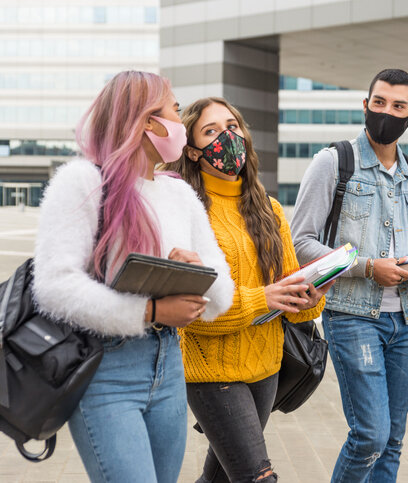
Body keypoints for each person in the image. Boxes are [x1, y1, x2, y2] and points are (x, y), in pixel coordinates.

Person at [32, 71, 234, 483]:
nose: (181, 123)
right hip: (106, 369)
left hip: (170, 366)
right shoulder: (84, 182)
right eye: (174, 111)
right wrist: (152, 308)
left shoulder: (179, 193)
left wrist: (196, 271)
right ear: (146, 122)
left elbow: (223, 294)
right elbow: (53, 287)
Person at [292, 68, 408, 482]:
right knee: (370, 435)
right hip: (351, 317)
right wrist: (366, 267)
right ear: (365, 105)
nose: (387, 112)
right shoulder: (333, 163)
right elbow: (300, 245)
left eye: (398, 106)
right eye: (379, 103)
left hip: (402, 322)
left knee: (393, 440)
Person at [165, 96, 330, 483]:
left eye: (232, 126)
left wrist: (310, 297)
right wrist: (263, 298)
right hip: (211, 371)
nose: (227, 136)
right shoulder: (187, 209)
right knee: (257, 477)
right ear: (191, 151)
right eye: (211, 131)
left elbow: (295, 305)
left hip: (267, 367)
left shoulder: (269, 209)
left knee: (219, 478)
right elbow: (190, 312)